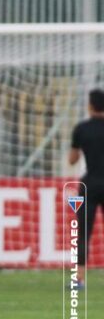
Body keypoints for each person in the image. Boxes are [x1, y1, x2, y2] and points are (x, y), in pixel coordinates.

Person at [69, 88, 104, 290]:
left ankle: (80, 279)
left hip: (89, 184)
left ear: (90, 106)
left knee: (83, 232)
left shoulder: (81, 129)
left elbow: (72, 160)